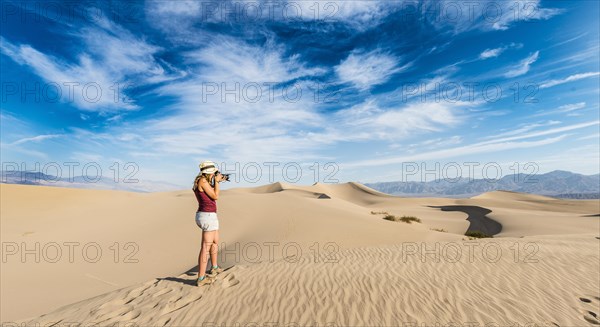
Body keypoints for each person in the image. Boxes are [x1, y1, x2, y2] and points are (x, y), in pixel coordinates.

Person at [193, 161, 225, 286]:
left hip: (210, 215)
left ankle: (214, 267)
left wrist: (217, 181)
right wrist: (216, 182)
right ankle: (201, 278)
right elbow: (215, 196)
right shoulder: (202, 181)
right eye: (213, 172)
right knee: (206, 247)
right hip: (207, 216)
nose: (215, 174)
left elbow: (210, 194)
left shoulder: (203, 181)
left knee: (215, 241)